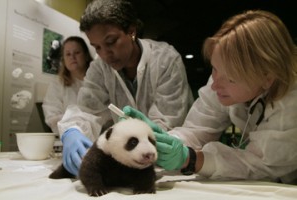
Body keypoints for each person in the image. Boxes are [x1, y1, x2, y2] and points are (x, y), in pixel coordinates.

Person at [124, 10, 297, 184]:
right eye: (214, 69)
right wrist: (162, 141)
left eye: (230, 78)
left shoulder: (292, 101)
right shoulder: (223, 78)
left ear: (267, 77)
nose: (214, 85)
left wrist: (191, 159)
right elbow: (197, 130)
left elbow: (264, 165)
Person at [57, 0, 194, 176]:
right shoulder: (100, 68)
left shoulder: (165, 60)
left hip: (170, 164)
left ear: (131, 31)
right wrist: (72, 131)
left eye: (111, 42)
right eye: (97, 47)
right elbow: (86, 110)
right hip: (127, 161)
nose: (105, 54)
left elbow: (166, 123)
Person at [42, 36, 93, 134]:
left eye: (77, 53)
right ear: (63, 59)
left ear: (86, 55)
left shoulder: (98, 81)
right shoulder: (57, 84)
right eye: (68, 54)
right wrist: (76, 126)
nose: (72, 57)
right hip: (70, 135)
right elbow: (52, 118)